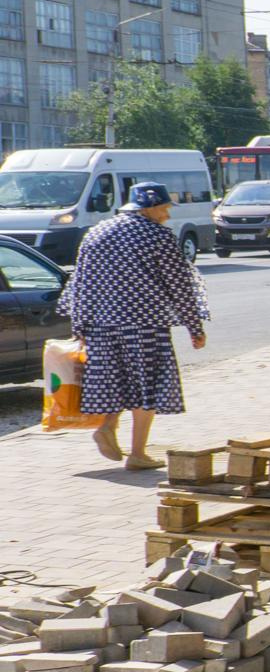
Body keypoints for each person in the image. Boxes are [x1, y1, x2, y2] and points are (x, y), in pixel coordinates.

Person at [66, 181, 208, 472]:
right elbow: (180, 285)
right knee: (148, 386)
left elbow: (79, 283)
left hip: (100, 325)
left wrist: (79, 326)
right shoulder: (157, 236)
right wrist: (194, 327)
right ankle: (138, 453)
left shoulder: (97, 233)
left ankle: (107, 426)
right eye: (165, 208)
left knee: (114, 381)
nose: (167, 215)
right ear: (152, 207)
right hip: (145, 324)